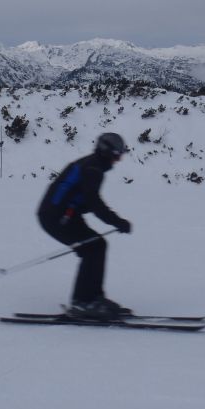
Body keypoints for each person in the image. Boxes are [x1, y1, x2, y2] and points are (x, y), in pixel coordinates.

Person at [37, 132, 132, 319]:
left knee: (96, 246)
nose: (118, 160)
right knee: (93, 248)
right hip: (56, 217)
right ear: (106, 152)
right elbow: (94, 202)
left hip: (65, 215)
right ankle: (82, 303)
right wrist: (117, 221)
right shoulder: (93, 169)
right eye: (116, 155)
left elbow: (83, 199)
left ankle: (93, 298)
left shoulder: (92, 165)